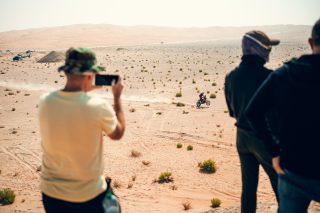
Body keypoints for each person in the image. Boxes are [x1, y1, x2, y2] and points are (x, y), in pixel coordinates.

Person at [246, 19, 320, 213]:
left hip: (294, 168)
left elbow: (253, 112)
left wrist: (274, 150)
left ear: (311, 43)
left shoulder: (285, 74)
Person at [38, 47, 125, 213]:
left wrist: (83, 86)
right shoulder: (97, 106)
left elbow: (71, 100)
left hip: (52, 196)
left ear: (66, 72)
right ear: (90, 74)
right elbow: (117, 133)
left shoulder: (45, 102)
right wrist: (117, 97)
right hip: (88, 196)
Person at [224, 31, 280, 213]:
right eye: (267, 47)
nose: (270, 51)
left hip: (242, 138)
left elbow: (232, 112)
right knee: (281, 186)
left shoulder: (231, 77)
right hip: (264, 139)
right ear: (258, 49)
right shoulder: (269, 77)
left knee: (248, 189)